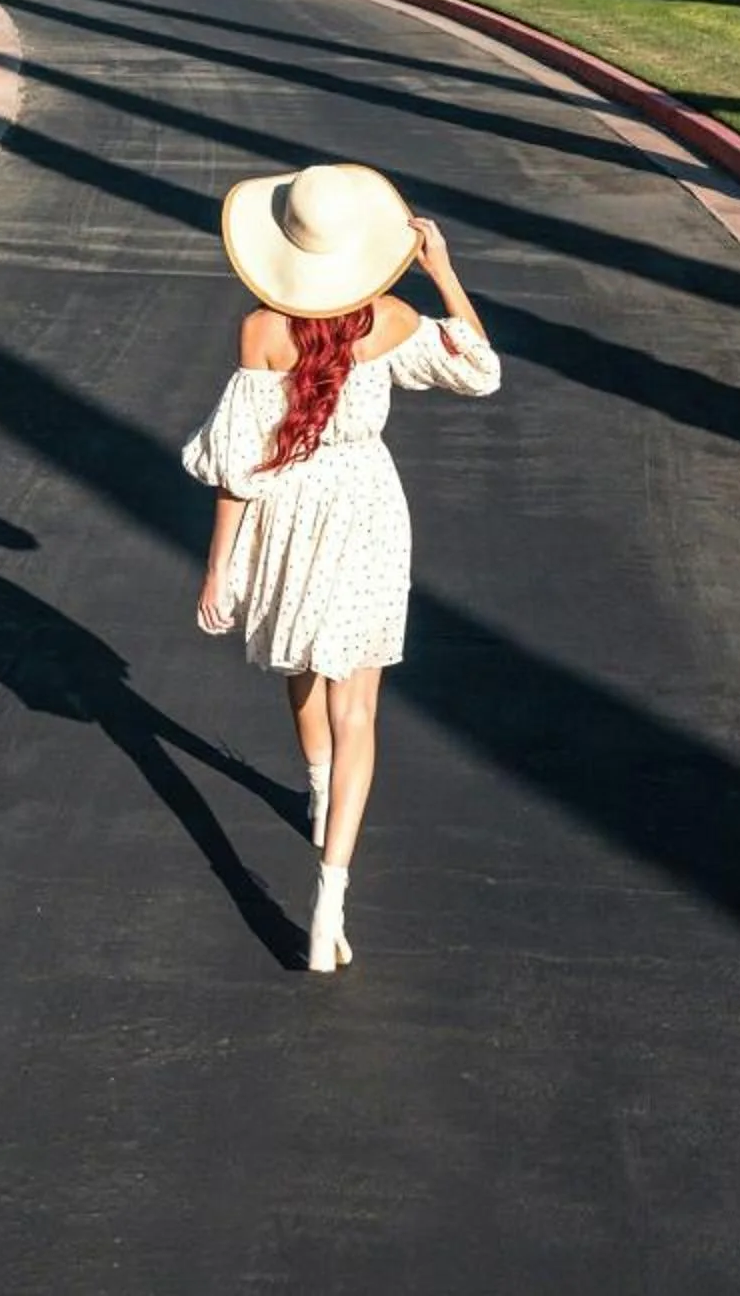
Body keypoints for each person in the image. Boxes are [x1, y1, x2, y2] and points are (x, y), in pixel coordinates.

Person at [182, 159, 501, 972]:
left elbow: (238, 468)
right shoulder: (387, 320)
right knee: (358, 706)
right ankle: (329, 901)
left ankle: (319, 793)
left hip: (293, 512)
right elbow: (480, 370)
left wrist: (218, 568)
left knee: (298, 657)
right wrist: (445, 272)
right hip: (367, 510)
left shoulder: (261, 330)